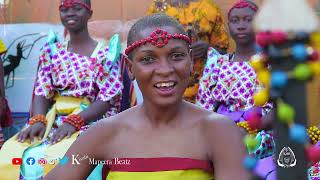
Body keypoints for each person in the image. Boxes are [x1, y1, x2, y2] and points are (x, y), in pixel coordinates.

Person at [45, 13, 250, 180]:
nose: (165, 69)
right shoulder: (103, 133)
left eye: (177, 56)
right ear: (130, 67)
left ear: (190, 61)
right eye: (148, 59)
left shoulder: (219, 131)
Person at [0, 0, 123, 179]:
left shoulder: (106, 53)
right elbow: (42, 91)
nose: (70, 13)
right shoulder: (51, 51)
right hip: (53, 119)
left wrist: (74, 122)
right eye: (64, 9)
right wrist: (38, 120)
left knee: (67, 157)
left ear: (90, 13)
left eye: (77, 8)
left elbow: (106, 100)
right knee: (14, 152)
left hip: (90, 119)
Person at [196, 0, 276, 179]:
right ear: (228, 25)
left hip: (260, 136)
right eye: (235, 20)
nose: (241, 26)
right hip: (221, 133)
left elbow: (280, 107)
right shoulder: (217, 63)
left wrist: (250, 128)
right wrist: (225, 130)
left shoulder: (270, 63)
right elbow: (204, 106)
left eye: (248, 20)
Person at [147, 0, 230, 103]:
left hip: (205, 91)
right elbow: (148, 47)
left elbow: (223, 52)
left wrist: (207, 48)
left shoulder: (210, 7)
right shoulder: (157, 7)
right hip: (166, 85)